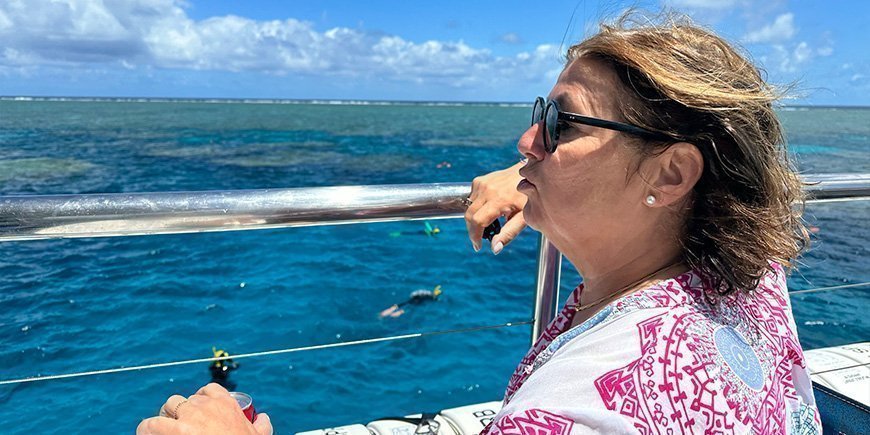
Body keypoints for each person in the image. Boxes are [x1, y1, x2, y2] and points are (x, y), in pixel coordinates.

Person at [138, 11, 819, 435]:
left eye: (560, 122)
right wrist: (539, 181)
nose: (528, 141)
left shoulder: (578, 413)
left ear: (670, 176)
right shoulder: (752, 278)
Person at [378, 285, 443, 318]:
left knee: (405, 303)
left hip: (414, 298)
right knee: (408, 308)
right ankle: (396, 313)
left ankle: (391, 309)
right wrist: (438, 300)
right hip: (417, 301)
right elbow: (435, 299)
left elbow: (414, 293)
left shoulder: (427, 292)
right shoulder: (432, 297)